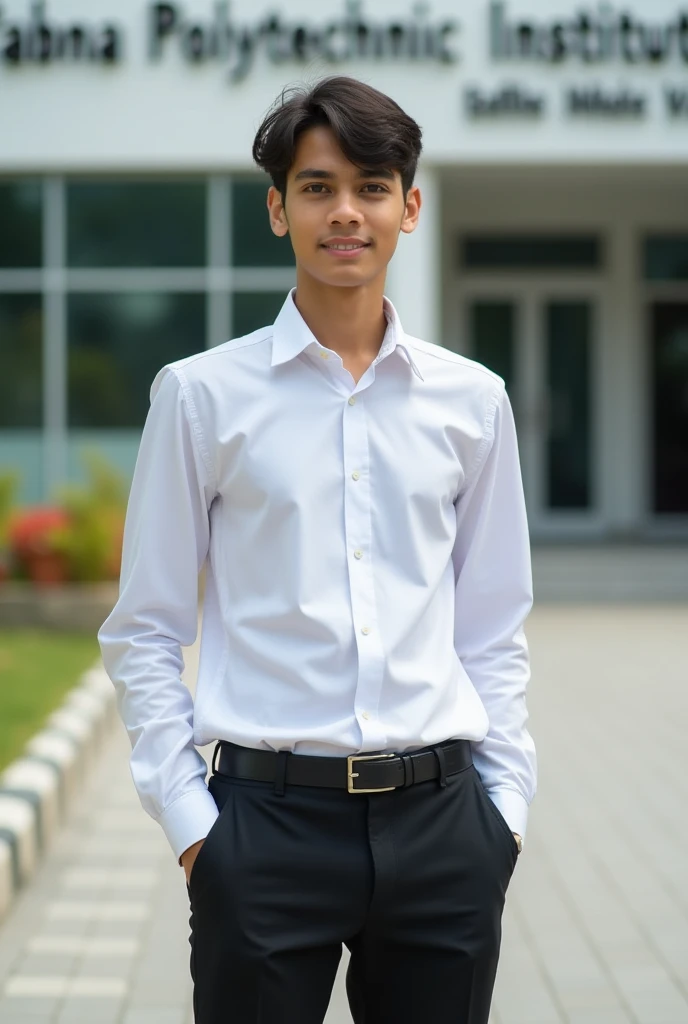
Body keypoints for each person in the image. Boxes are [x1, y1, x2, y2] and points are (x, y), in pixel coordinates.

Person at [97, 75, 536, 1024]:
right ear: (277, 207)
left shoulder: (473, 401)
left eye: (373, 186)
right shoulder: (201, 397)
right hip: (263, 833)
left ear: (410, 207)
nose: (347, 212)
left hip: (444, 831)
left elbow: (494, 625)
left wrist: (503, 816)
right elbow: (144, 628)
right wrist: (193, 831)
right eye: (318, 186)